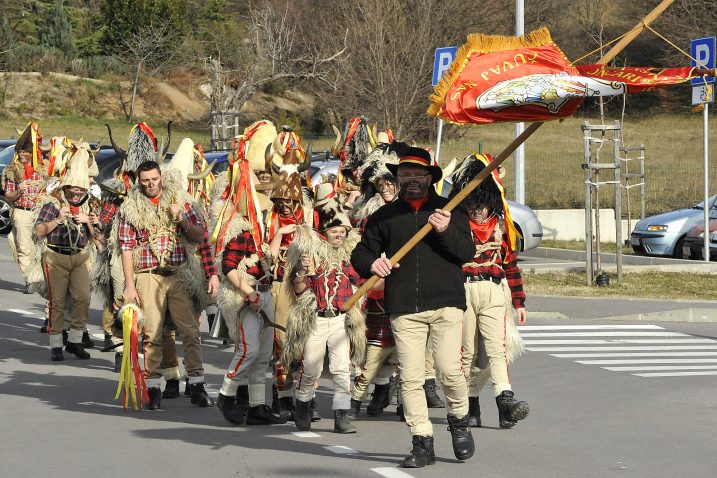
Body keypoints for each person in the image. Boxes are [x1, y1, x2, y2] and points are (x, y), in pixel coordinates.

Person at [351, 141, 475, 468]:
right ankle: (422, 441)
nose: (412, 179)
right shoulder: (384, 216)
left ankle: (459, 422)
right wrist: (372, 265)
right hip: (404, 307)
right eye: (405, 173)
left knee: (449, 370)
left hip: (446, 303)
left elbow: (466, 253)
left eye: (418, 173)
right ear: (399, 178)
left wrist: (446, 230)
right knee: (410, 377)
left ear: (430, 177)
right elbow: (360, 253)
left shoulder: (451, 209)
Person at [118, 160, 219, 410]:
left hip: (179, 274)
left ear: (161, 177)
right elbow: (126, 249)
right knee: (151, 333)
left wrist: (182, 219)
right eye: (146, 181)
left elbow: (200, 237)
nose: (151, 184)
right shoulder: (130, 207)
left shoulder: (181, 200)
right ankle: (153, 387)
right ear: (138, 181)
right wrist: (129, 286)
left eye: (154, 179)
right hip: (148, 275)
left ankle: (196, 384)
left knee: (190, 332)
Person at [449, 154, 529, 429]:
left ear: (491, 203)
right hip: (465, 291)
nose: (476, 211)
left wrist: (519, 302)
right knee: (468, 351)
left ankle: (505, 400)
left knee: (498, 348)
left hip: (495, 290)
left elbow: (511, 265)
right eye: (472, 205)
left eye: (481, 205)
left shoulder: (502, 228)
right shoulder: (457, 227)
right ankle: (471, 402)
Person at [211, 141, 286, 426]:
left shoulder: (261, 225)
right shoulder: (238, 225)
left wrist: (280, 235)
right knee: (249, 349)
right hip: (245, 296)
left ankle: (257, 406)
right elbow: (228, 266)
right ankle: (227, 394)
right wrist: (249, 292)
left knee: (264, 353)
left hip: (264, 292)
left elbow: (267, 256)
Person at [282, 187, 366, 434]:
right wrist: (303, 270)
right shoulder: (312, 256)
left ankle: (342, 417)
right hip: (317, 321)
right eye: (334, 231)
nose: (339, 235)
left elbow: (360, 282)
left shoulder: (348, 258)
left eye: (342, 232)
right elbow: (298, 289)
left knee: (342, 369)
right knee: (311, 370)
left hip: (340, 320)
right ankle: (303, 405)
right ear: (324, 233)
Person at [33, 145, 98, 361]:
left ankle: (75, 341)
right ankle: (55, 345)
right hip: (56, 256)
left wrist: (88, 222)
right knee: (57, 302)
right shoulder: (54, 203)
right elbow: (39, 231)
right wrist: (58, 220)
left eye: (81, 189)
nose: (78, 192)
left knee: (84, 298)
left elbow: (97, 238)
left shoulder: (90, 205)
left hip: (80, 257)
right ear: (66, 186)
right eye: (74, 189)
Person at [3, 122, 46, 294]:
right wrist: (19, 191)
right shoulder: (12, 170)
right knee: (24, 248)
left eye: (25, 151)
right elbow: (8, 195)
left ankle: (40, 277)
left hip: (41, 214)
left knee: (40, 249)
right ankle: (30, 279)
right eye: (20, 151)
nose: (22, 154)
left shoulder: (42, 169)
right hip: (22, 213)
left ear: (32, 153)